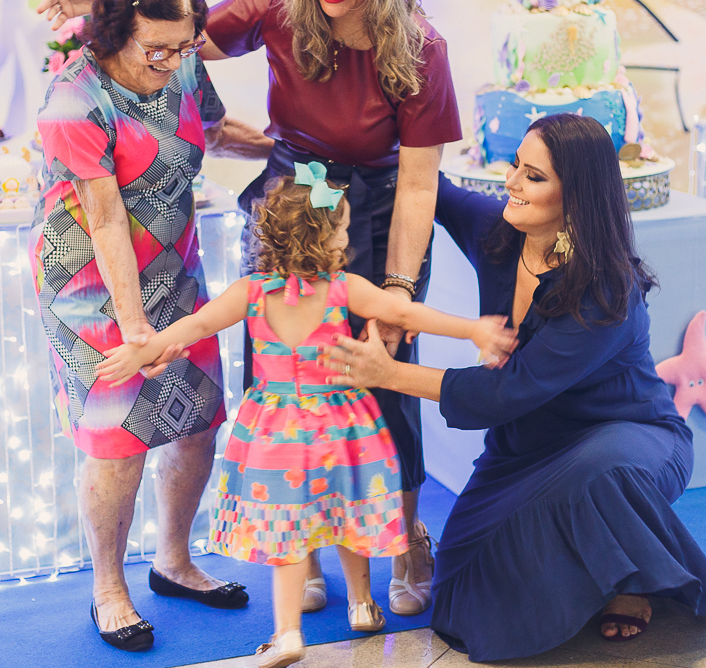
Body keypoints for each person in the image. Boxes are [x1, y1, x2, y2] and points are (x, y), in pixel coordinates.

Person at [36, 0, 460, 615]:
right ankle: (315, 539)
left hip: (381, 205)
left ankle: (402, 534)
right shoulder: (279, 0)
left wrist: (396, 290)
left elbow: (421, 184)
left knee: (381, 371)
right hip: (295, 201)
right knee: (291, 381)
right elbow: (174, 35)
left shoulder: (421, 48)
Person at [322, 114, 706, 661]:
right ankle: (594, 577)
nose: (512, 183)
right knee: (461, 595)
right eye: (515, 166)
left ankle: (633, 581)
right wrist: (350, 127)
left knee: (600, 472)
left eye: (533, 176)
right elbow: (427, 180)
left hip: (629, 440)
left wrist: (388, 373)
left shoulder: (607, 286)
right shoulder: (499, 232)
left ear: (576, 196)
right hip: (526, 450)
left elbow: (508, 391)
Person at [96, 169, 515, 667]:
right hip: (342, 429)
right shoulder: (344, 289)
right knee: (347, 513)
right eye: (341, 228)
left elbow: (195, 325)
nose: (346, 236)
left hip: (276, 436)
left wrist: (139, 350)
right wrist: (471, 329)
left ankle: (288, 633)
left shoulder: (251, 291)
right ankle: (362, 604)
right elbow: (405, 315)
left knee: (288, 533)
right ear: (323, 237)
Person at [31, 0, 256, 653]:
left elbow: (216, 132)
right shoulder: (75, 98)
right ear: (111, 33)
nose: (171, 61)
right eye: (155, 49)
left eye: (182, 46)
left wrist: (291, 152)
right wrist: (135, 332)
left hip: (175, 271)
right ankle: (108, 587)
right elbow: (103, 222)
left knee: (196, 422)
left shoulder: (184, 60)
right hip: (93, 289)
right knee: (120, 437)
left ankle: (175, 560)